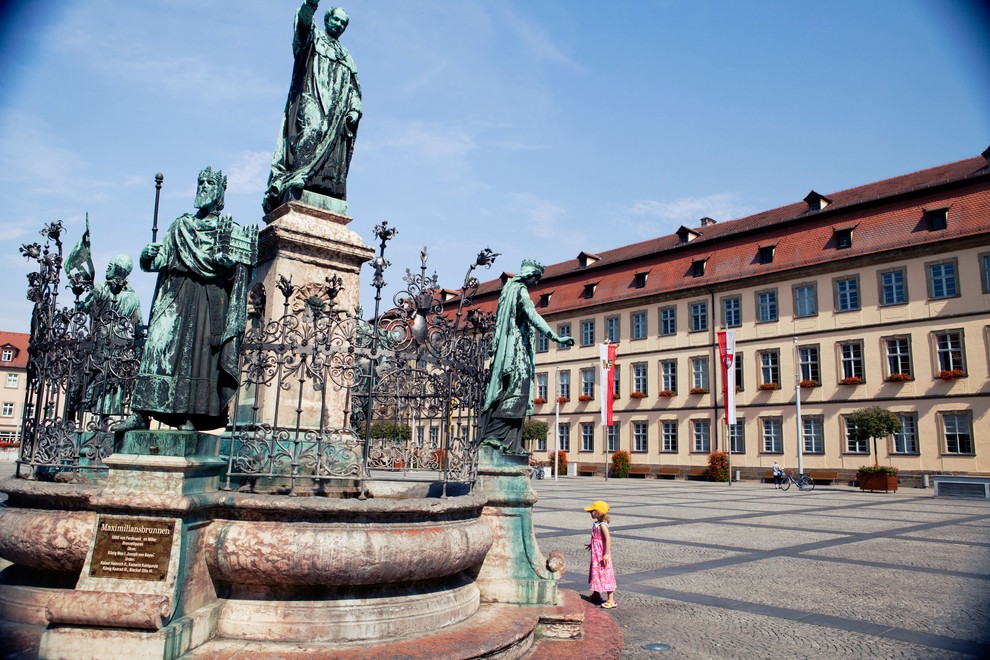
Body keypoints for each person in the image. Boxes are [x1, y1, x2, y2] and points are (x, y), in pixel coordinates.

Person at [122, 166, 254, 431]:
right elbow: (158, 260)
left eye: (209, 183)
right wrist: (147, 256)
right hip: (175, 293)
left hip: (208, 296)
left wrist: (227, 264)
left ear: (219, 192)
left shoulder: (230, 229)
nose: (203, 187)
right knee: (156, 348)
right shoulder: (181, 225)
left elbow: (238, 275)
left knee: (200, 355)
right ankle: (141, 413)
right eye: (200, 182)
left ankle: (192, 415)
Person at [263, 1, 362, 213]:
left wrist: (354, 109)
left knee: (332, 148)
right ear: (326, 19)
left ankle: (319, 185)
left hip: (336, 113)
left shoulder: (347, 57)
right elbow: (303, 24)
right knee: (309, 131)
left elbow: (354, 89)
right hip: (312, 97)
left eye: (343, 23)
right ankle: (297, 176)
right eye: (335, 19)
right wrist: (310, 5)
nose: (339, 25)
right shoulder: (314, 37)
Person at [478, 260, 574, 454]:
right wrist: (555, 336)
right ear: (528, 274)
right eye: (536, 278)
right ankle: (493, 437)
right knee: (515, 394)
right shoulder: (519, 290)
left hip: (519, 351)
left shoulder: (509, 290)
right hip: (515, 354)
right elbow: (532, 314)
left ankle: (513, 444)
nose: (536, 283)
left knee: (520, 396)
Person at [584, 500, 617, 609]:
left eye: (592, 511)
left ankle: (611, 599)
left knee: (606, 573)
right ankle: (596, 594)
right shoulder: (597, 523)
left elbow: (607, 539)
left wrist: (606, 554)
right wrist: (591, 543)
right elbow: (596, 537)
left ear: (598, 512)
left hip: (601, 554)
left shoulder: (603, 525)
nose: (590, 512)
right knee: (596, 572)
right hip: (596, 555)